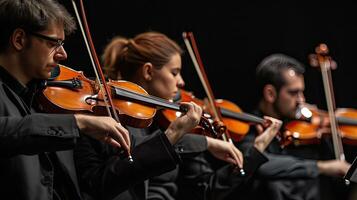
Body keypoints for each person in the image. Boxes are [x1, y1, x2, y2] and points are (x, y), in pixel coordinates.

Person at [0, 0, 204, 199]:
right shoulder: (56, 115)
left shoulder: (45, 100)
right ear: (19, 39)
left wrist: (177, 135)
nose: (63, 54)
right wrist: (78, 123)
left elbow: (97, 184)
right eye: (53, 43)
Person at [74, 31, 283, 200]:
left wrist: (256, 150)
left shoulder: (169, 121)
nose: (181, 82)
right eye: (174, 72)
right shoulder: (102, 118)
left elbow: (205, 190)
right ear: (148, 72)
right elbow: (101, 182)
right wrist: (197, 140)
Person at [236, 53, 351, 200]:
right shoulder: (248, 127)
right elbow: (257, 164)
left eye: (302, 92)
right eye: (293, 93)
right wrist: (322, 167)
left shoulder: (307, 128)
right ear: (270, 93)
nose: (301, 100)